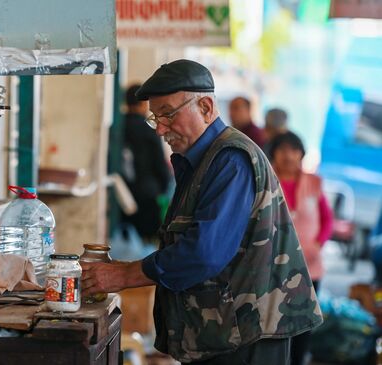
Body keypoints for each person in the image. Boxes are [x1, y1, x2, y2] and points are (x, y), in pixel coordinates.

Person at [82, 59, 322, 365]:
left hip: (247, 336)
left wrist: (125, 275)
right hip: (224, 332)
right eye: (155, 119)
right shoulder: (199, 161)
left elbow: (203, 252)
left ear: (206, 107)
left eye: (168, 114)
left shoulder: (231, 160)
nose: (161, 130)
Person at [269, 131, 333, 365]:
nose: (288, 155)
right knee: (275, 324)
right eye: (282, 149)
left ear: (302, 154)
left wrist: (318, 243)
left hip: (310, 267)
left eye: (294, 150)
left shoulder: (314, 182)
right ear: (273, 153)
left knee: (304, 324)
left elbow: (327, 218)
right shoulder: (266, 180)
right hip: (274, 268)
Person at [120, 84, 171, 242]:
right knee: (148, 243)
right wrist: (163, 186)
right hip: (148, 195)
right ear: (144, 104)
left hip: (122, 194)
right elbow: (159, 164)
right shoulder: (149, 130)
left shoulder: (118, 127)